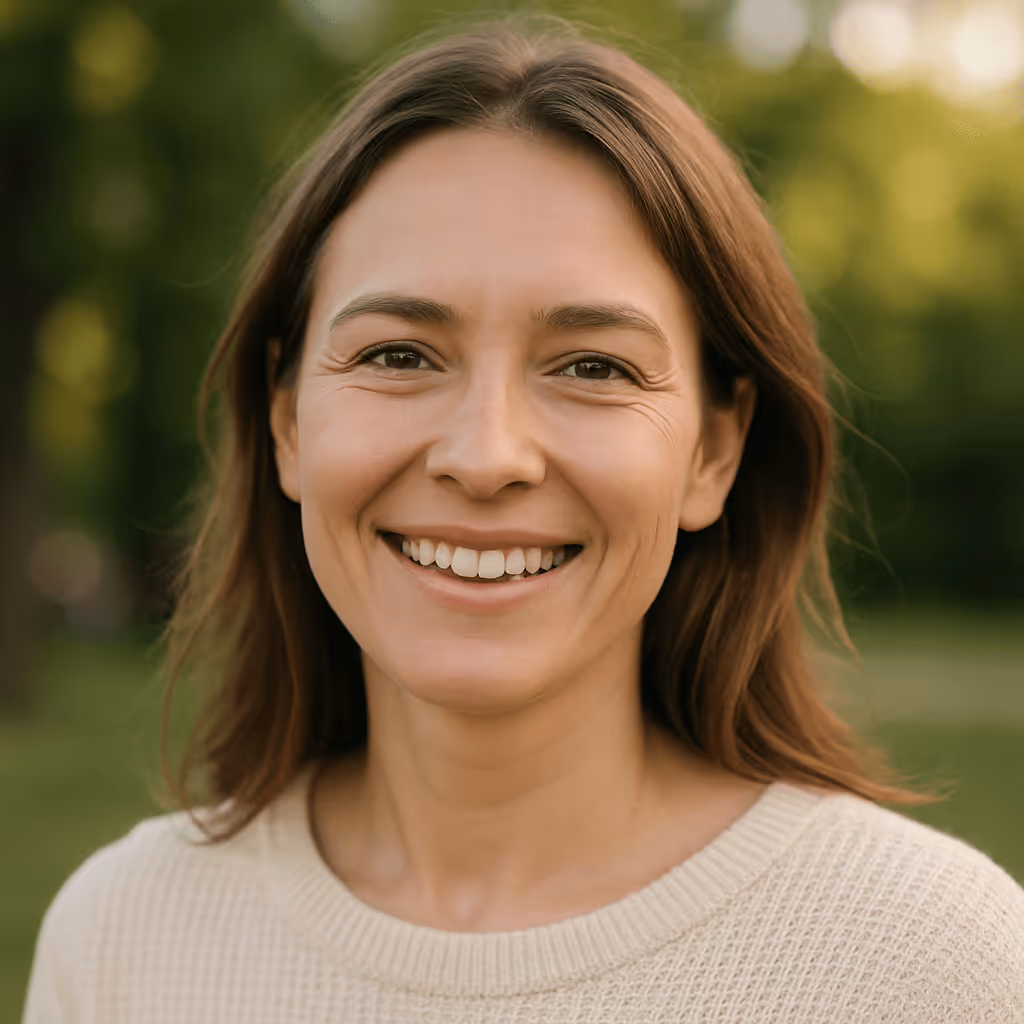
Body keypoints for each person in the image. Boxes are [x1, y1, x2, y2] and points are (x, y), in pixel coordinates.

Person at [22, 12, 1024, 1023]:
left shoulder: (930, 962)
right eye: (398, 355)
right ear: (286, 420)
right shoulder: (121, 939)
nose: (485, 456)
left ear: (713, 451)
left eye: (593, 367)